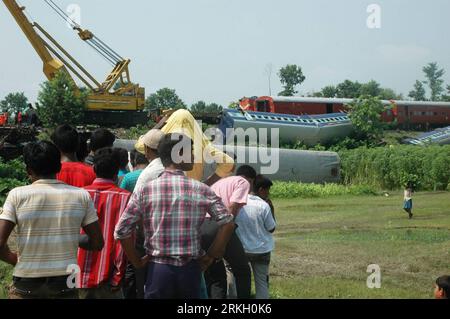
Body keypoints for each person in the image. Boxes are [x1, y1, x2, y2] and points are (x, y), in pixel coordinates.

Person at [115, 133, 235, 299]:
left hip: (157, 271)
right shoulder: (201, 189)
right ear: (179, 154)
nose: (194, 155)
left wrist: (136, 261)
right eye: (190, 151)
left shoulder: (145, 190)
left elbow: (121, 231)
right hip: (190, 271)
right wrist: (211, 255)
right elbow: (227, 223)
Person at [0, 141, 104, 299]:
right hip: (67, 279)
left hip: (27, 280)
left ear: (29, 170)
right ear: (59, 167)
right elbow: (97, 242)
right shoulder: (81, 196)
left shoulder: (17, 195)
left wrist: (15, 259)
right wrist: (70, 238)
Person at [77, 148, 131, 299]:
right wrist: (118, 276)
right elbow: (123, 242)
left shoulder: (78, 195)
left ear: (94, 169)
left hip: (77, 276)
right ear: (117, 171)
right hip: (108, 277)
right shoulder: (125, 198)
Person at [135, 109, 235, 186]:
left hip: (166, 188)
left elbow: (141, 145)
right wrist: (206, 184)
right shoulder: (202, 142)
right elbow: (228, 162)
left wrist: (161, 124)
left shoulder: (166, 140)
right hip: (192, 192)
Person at [202, 165, 257, 299]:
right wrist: (223, 240)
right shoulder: (243, 182)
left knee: (216, 274)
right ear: (250, 180)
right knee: (242, 270)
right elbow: (232, 208)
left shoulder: (220, 182)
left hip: (203, 226)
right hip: (220, 225)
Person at [123, 129, 165, 299]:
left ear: (147, 149)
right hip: (171, 240)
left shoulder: (147, 174)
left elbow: (134, 210)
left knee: (146, 288)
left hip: (149, 239)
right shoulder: (175, 169)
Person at [235, 175, 276, 299]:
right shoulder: (264, 205)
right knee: (262, 282)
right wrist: (271, 208)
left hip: (241, 249)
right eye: (267, 190)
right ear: (261, 190)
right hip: (262, 250)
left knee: (238, 279)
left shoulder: (238, 202)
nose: (268, 193)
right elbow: (271, 228)